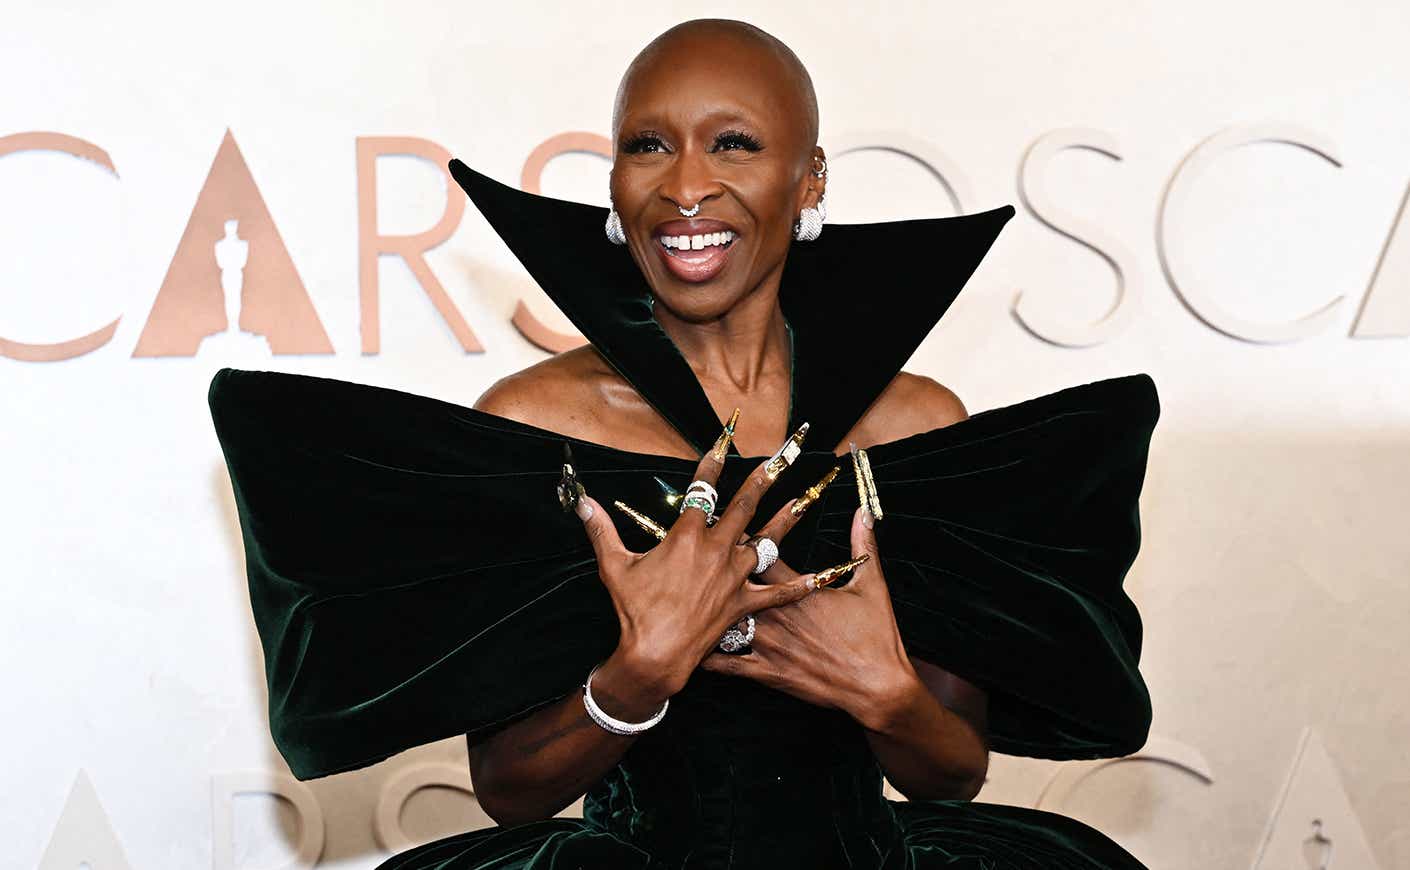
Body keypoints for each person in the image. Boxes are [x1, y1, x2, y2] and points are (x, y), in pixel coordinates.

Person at [207, 17, 1160, 870]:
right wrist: (641, 671)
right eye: (647, 145)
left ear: (809, 177)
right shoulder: (540, 425)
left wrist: (887, 691)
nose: (686, 185)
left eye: (734, 143)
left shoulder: (913, 429)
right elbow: (509, 791)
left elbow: (951, 777)